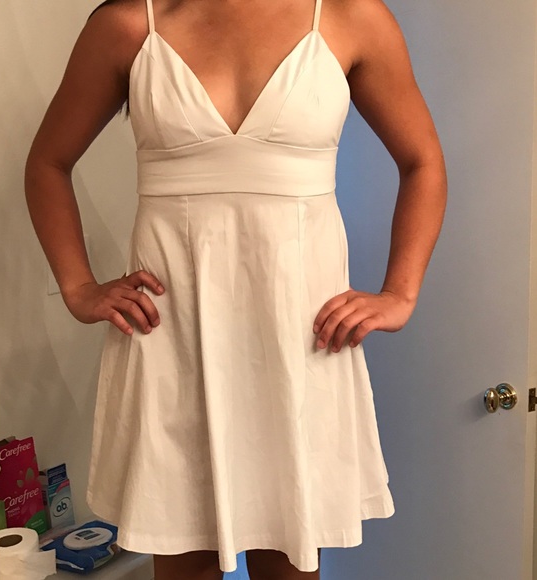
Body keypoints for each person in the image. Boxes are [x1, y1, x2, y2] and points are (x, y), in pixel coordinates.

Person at [24, 0, 447, 578]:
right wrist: (78, 287)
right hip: (172, 339)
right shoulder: (129, 25)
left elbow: (423, 161)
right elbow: (48, 163)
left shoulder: (350, 17)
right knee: (184, 555)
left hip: (301, 339)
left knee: (290, 555)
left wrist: (401, 293)